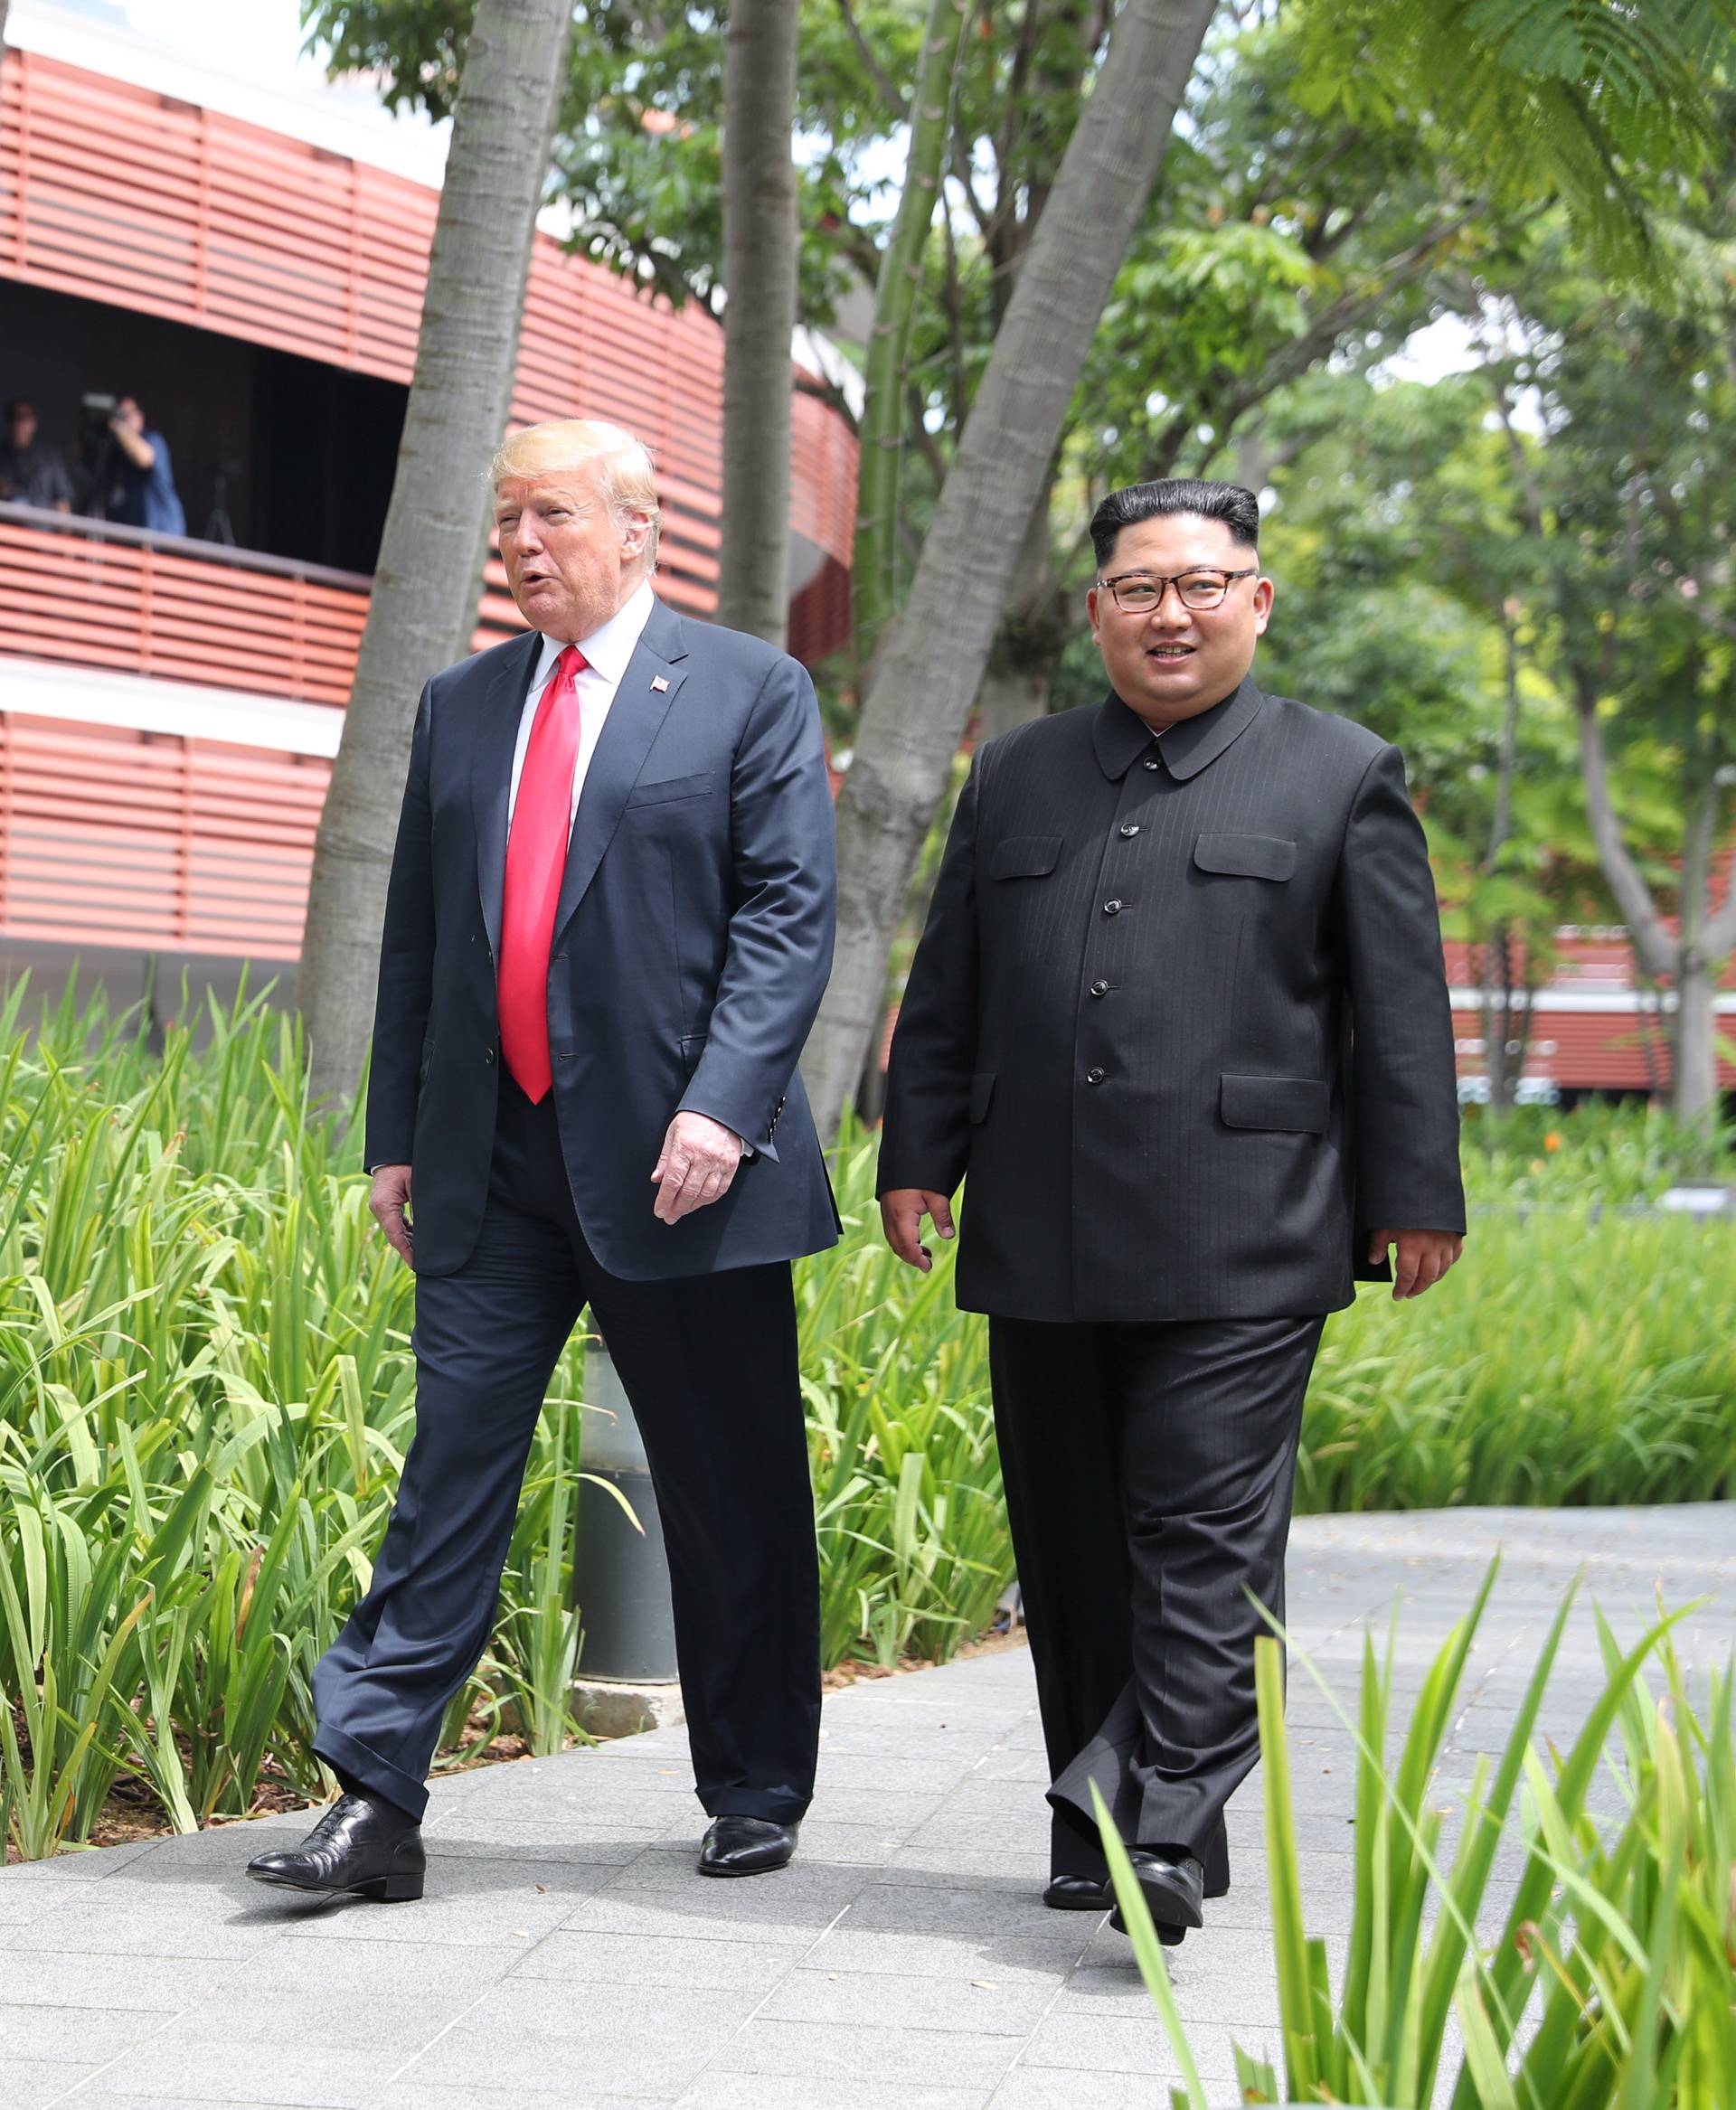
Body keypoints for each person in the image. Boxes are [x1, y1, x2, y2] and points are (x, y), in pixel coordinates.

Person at [249, 418, 839, 1903]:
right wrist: (395, 1132)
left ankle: (754, 1779)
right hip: (492, 1164)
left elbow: (786, 917)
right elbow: (421, 938)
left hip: (682, 1166)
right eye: (508, 519)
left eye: (550, 516)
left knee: (727, 1482)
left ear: (639, 527)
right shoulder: (462, 703)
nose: (519, 544)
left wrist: (723, 1104)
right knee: (452, 1468)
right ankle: (376, 1795)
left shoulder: (747, 689)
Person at [876, 476, 1465, 1946]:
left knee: (1199, 1535)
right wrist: (917, 1154)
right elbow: (949, 986)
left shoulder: (1342, 773)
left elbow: (1400, 1013)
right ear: (1097, 614)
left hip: (1247, 1226)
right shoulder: (1013, 777)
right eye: (1140, 588)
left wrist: (1415, 1195)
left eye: (1204, 584)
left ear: (1258, 599)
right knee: (1071, 1539)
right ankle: (1091, 1823)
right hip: (1040, 1224)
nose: (1171, 613)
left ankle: (1175, 1821)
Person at [104, 396, 185, 535]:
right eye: (119, 415)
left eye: (126, 415)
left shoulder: (152, 439)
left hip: (162, 531)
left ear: (140, 417)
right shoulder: (117, 453)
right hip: (135, 532)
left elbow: (144, 457)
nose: (122, 419)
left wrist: (119, 427)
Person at [0, 399, 73, 512]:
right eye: (15, 417)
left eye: (25, 417)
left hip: (38, 526)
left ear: (34, 422)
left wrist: (65, 528)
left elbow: (62, 501)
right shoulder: (3, 454)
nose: (20, 423)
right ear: (9, 422)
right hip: (6, 524)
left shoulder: (50, 457)